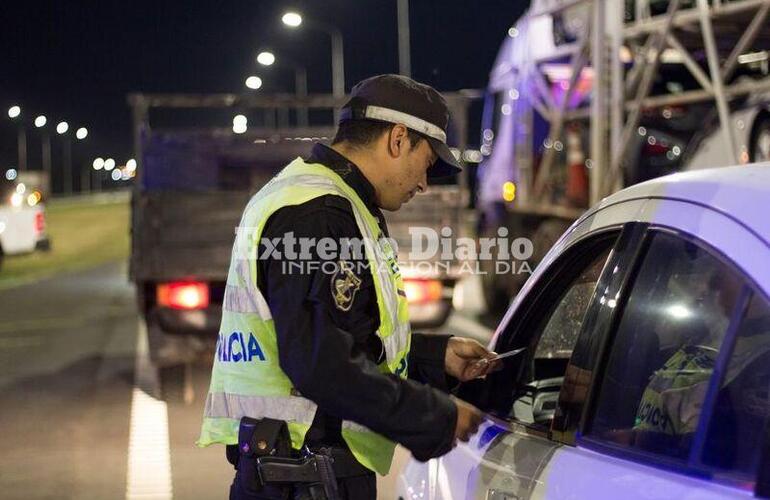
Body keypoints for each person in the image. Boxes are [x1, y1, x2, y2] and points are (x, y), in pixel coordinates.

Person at [198, 74, 499, 500]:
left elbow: (347, 335)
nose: (423, 183)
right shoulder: (318, 213)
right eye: (427, 163)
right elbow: (322, 362)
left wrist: (435, 358)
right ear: (397, 140)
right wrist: (435, 416)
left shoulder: (329, 200)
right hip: (303, 476)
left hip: (298, 471)